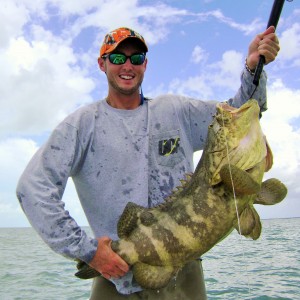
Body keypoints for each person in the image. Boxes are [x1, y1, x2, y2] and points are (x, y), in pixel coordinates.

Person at [16, 26, 280, 299]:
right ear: (101, 63)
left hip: (184, 275)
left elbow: (241, 114)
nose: (127, 65)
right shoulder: (81, 126)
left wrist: (252, 69)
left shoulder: (177, 112)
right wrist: (89, 251)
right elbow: (32, 189)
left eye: (136, 58)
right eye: (117, 58)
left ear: (146, 64)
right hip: (114, 278)